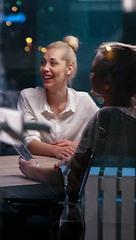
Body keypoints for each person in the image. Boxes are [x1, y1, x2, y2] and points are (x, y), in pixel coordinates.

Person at [19, 42, 136, 240]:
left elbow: (72, 178)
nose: (89, 75)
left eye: (93, 71)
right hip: (123, 223)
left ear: (107, 82)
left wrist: (32, 170)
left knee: (28, 224)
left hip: (86, 225)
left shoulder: (105, 117)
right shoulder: (131, 117)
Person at [18, 36, 99, 160]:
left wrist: (78, 145)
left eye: (53, 63)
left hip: (73, 172)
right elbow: (28, 141)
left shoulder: (84, 101)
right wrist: (56, 150)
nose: (45, 68)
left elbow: (105, 137)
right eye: (43, 62)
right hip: (38, 170)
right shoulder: (28, 97)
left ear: (69, 68)